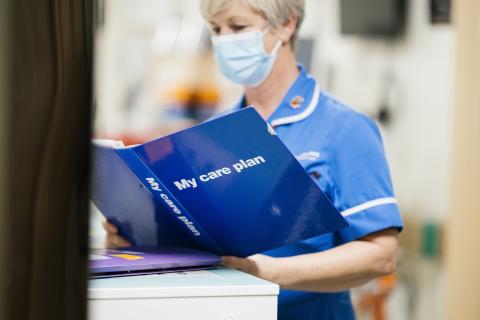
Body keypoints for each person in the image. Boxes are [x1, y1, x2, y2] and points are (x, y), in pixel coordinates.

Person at [103, 0, 403, 318]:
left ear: (286, 24)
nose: (223, 40)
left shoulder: (343, 129)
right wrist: (137, 242)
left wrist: (269, 272)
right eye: (216, 30)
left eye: (238, 27)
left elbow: (380, 256)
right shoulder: (210, 133)